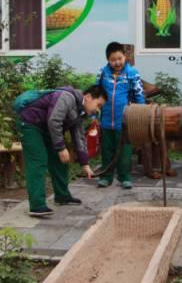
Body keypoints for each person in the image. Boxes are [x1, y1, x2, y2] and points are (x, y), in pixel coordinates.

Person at [17, 85, 106, 216]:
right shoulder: (67, 97)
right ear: (88, 97)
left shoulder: (80, 112)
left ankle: (62, 196)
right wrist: (61, 147)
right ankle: (36, 206)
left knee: (61, 160)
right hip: (30, 123)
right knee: (38, 161)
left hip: (46, 128)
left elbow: (79, 137)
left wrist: (85, 164)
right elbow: (54, 121)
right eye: (98, 105)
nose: (97, 110)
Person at [96, 42, 145, 189]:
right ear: (108, 60)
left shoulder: (132, 73)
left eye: (119, 58)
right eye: (113, 59)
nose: (117, 62)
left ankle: (124, 177)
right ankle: (106, 176)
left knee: (125, 149)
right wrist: (94, 116)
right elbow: (96, 93)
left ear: (125, 57)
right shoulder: (103, 73)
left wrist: (140, 113)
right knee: (107, 149)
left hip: (124, 120)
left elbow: (139, 94)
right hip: (106, 119)